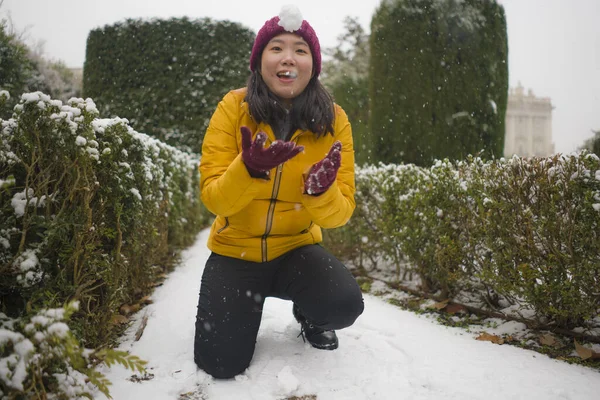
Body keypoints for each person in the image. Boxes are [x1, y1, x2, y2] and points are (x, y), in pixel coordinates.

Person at [194, 5, 364, 379]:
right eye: (277, 47)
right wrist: (248, 168)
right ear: (259, 60)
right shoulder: (232, 107)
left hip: (296, 249)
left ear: (313, 66)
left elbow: (341, 213)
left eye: (301, 50)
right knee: (220, 364)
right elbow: (214, 197)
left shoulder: (335, 120)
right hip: (235, 251)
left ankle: (310, 315)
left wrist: (320, 191)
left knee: (343, 304)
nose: (288, 57)